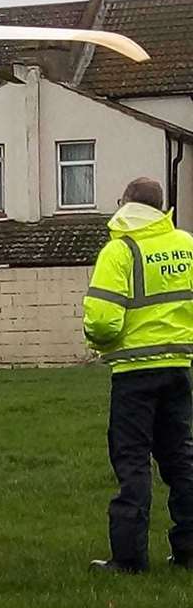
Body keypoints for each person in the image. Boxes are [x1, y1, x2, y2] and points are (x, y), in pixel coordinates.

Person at [83, 177, 193, 573]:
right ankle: (188, 549)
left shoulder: (120, 250)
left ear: (126, 203)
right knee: (181, 460)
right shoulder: (186, 245)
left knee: (132, 463)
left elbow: (102, 321)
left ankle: (129, 557)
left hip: (134, 374)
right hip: (179, 369)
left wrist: (97, 340)